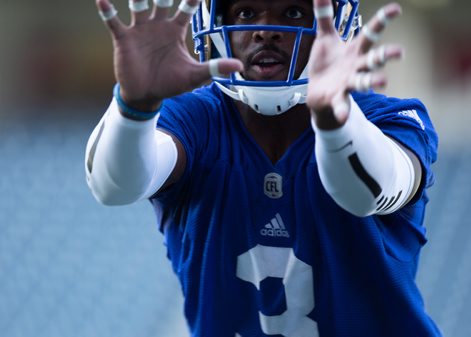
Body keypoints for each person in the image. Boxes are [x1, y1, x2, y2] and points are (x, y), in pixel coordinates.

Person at [85, 0, 441, 335]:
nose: (265, 30)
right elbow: (115, 185)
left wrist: (335, 120)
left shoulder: (388, 119)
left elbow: (366, 192)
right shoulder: (194, 119)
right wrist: (134, 110)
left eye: (292, 12)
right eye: (245, 12)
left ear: (336, 27)